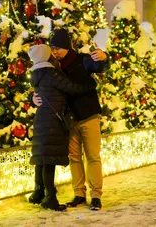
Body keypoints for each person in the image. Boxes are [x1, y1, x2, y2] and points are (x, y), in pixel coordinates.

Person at [33, 29, 109, 211]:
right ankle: (79, 194)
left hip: (88, 115)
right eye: (52, 47)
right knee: (74, 158)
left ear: (67, 47)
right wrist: (33, 99)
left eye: (58, 47)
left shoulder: (82, 60)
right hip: (68, 120)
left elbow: (99, 66)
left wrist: (105, 58)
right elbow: (43, 86)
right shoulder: (52, 66)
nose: (55, 51)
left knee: (92, 156)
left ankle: (96, 195)